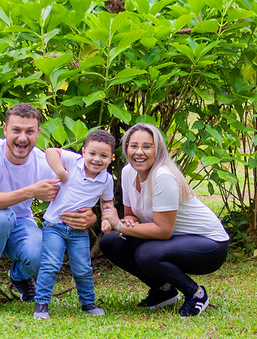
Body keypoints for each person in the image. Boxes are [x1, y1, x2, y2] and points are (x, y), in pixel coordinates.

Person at [0, 104, 97, 314]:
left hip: (20, 223)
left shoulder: (44, 162)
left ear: (38, 133)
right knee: (3, 216)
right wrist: (30, 191)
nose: (22, 138)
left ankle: (19, 276)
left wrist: (90, 216)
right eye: (16, 130)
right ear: (5, 130)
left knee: (45, 252)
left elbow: (78, 190)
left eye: (29, 132)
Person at [98, 123, 230, 317]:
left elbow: (163, 231)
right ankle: (164, 291)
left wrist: (119, 226)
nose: (139, 152)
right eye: (133, 146)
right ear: (126, 148)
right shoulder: (127, 172)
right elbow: (131, 214)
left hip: (210, 244)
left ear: (157, 149)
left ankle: (196, 294)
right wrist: (127, 222)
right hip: (173, 239)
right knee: (110, 242)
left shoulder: (163, 175)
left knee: (146, 254)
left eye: (147, 146)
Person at [33, 131, 121, 320]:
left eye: (104, 156)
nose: (97, 159)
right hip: (54, 225)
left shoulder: (106, 180)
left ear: (111, 158)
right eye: (92, 154)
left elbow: (107, 204)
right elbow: (50, 152)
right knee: (51, 264)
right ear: (83, 152)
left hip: (78, 230)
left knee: (82, 266)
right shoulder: (73, 162)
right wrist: (61, 173)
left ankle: (88, 302)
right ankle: (41, 303)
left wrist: (106, 220)